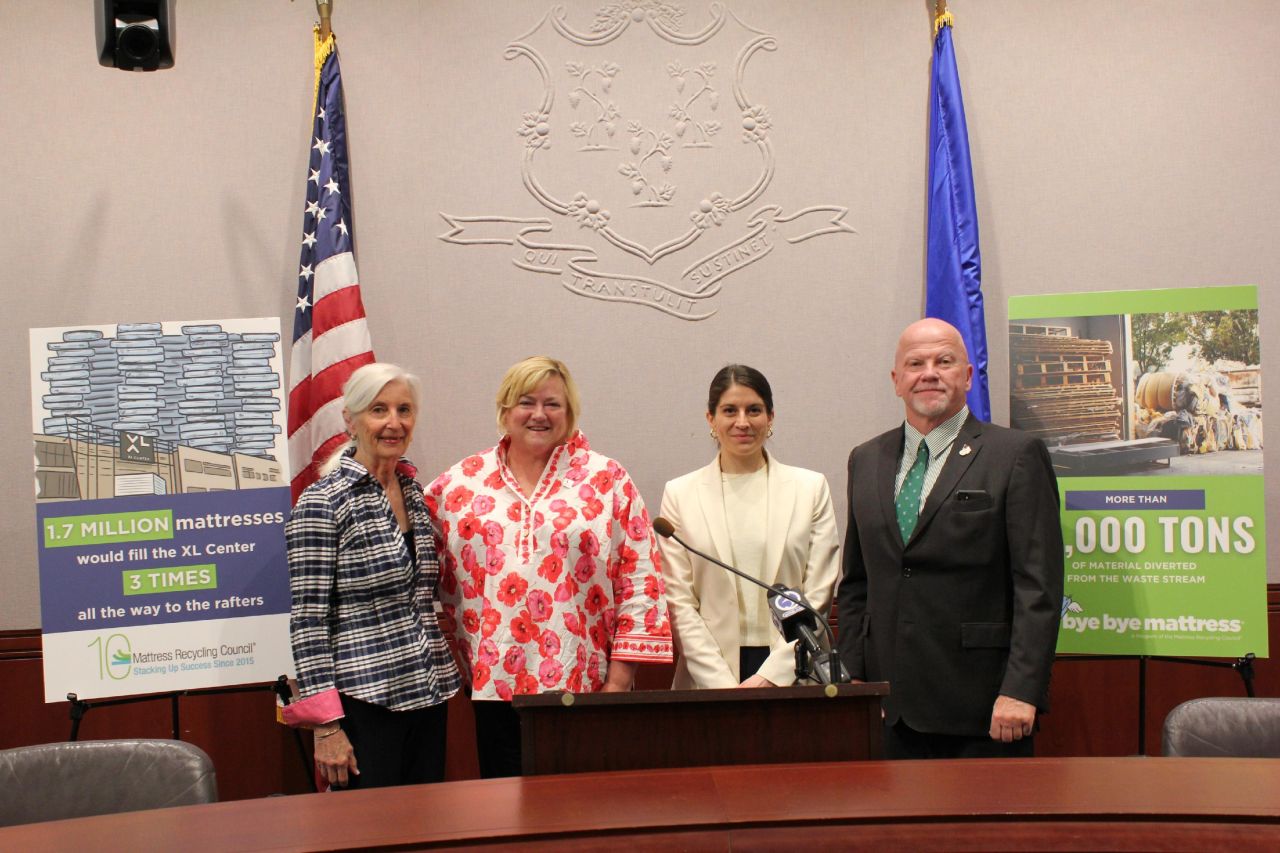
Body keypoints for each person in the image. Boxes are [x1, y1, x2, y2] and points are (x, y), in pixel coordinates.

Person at [427, 356, 673, 777]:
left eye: (552, 404)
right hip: (494, 688)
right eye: (526, 402)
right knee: (505, 817)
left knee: (578, 815)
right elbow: (416, 565)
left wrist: (618, 681)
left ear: (570, 412)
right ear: (505, 411)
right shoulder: (460, 484)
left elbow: (639, 579)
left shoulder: (607, 480)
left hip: (584, 687)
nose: (539, 414)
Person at [836, 318, 1063, 759]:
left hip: (983, 711)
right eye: (915, 363)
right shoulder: (865, 460)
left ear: (967, 374)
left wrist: (1021, 689)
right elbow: (857, 583)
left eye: (944, 361)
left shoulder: (1014, 455)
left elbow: (1038, 587)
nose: (929, 373)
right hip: (887, 709)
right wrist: (853, 677)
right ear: (896, 380)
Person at [283, 363, 460, 788]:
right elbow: (308, 623)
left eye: (404, 410)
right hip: (364, 702)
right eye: (379, 410)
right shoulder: (323, 503)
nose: (393, 423)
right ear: (351, 419)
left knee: (425, 830)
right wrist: (327, 728)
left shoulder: (414, 494)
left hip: (427, 692)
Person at [658, 364, 841, 688]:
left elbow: (818, 595)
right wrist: (724, 689)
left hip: (796, 675)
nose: (742, 422)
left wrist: (771, 678)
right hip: (707, 681)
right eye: (730, 410)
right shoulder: (680, 495)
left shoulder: (810, 488)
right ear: (711, 419)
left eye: (753, 410)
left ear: (770, 417)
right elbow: (680, 604)